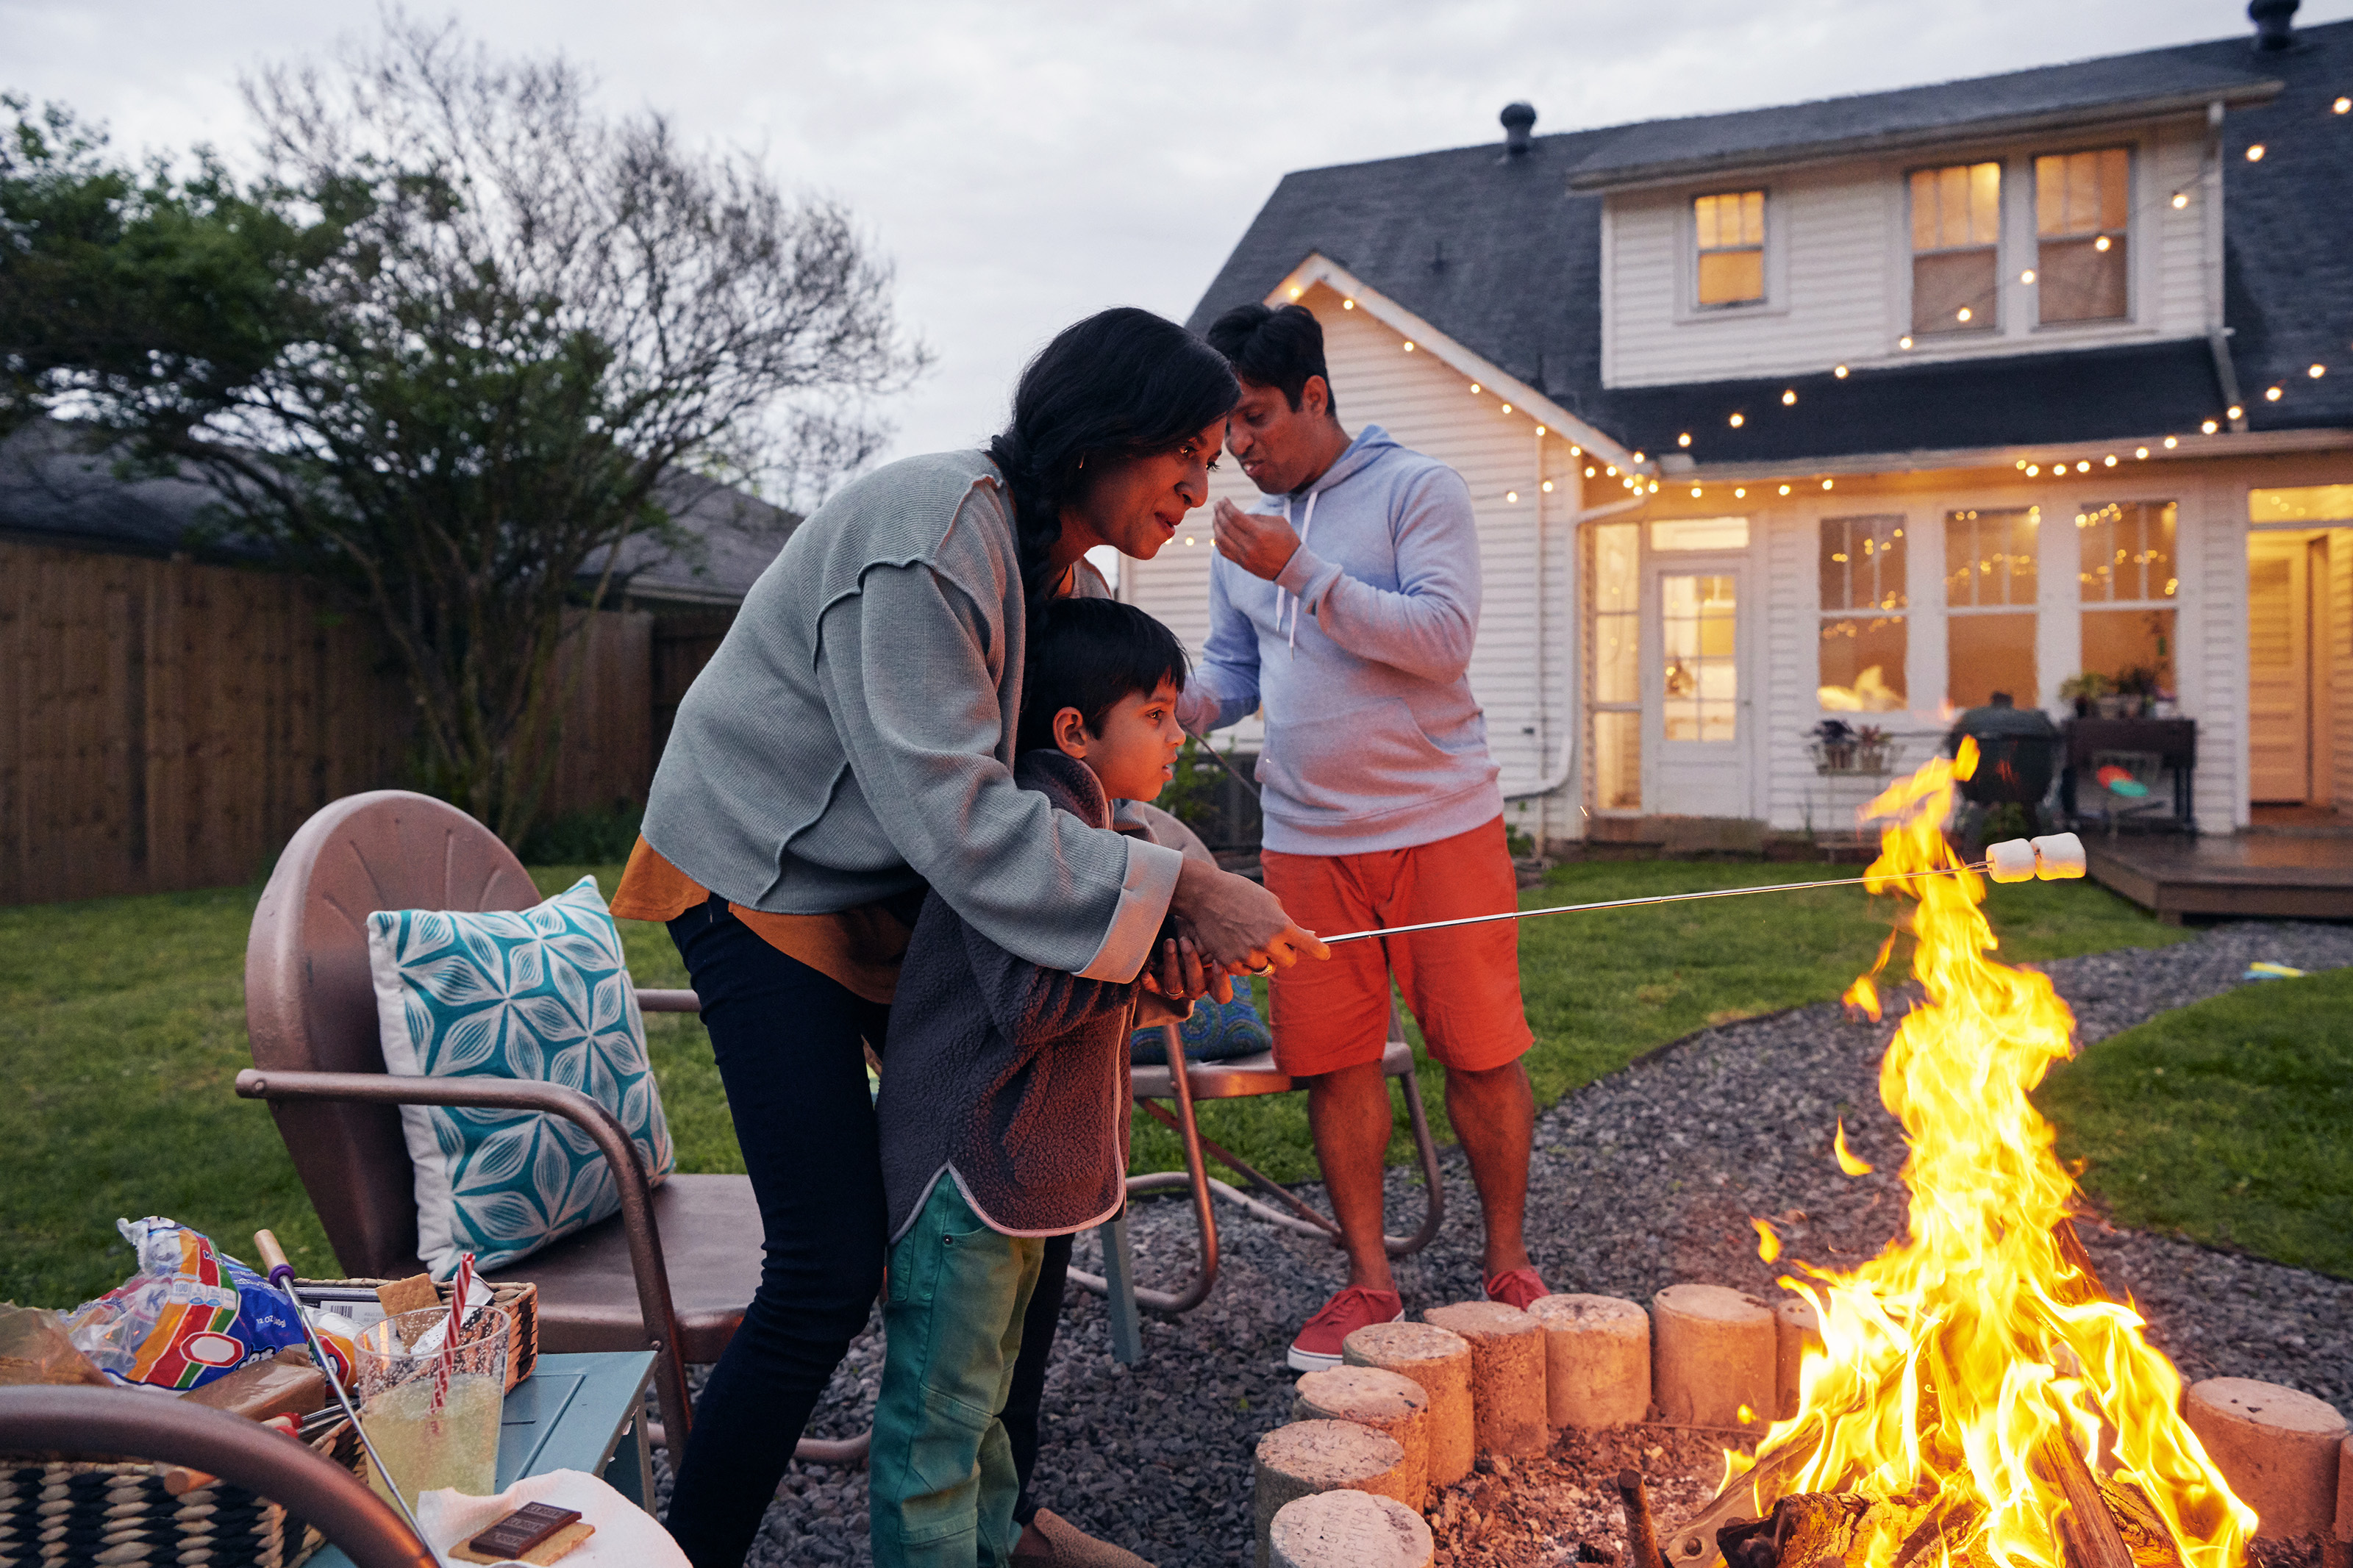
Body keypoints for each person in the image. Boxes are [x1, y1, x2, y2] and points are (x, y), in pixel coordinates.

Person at [613, 307, 1327, 1567]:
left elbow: (1073, 790)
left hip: (895, 887)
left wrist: (1183, 885)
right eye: (1191, 455)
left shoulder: (1072, 581)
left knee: (1025, 1172)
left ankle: (1009, 1521)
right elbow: (960, 813)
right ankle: (689, 1554)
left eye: (1218, 459)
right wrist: (1169, 897)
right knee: (828, 1266)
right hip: (759, 873)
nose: (1202, 488)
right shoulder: (933, 538)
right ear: (1113, 433)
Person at [1185, 302, 1545, 1372]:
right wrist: (1163, 710)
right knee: (1333, 1062)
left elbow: (1442, 640)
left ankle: (1511, 1264)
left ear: (1314, 396)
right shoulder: (1240, 538)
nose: (1239, 447)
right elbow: (1234, 673)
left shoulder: (1416, 489)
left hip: (1442, 823)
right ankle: (1367, 1283)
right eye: (1225, 430)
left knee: (1479, 1051)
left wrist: (1303, 570)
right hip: (1305, 842)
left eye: (1254, 419)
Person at [870, 596, 1198, 1567]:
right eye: (1158, 713)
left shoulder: (1098, 824)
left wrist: (1166, 981)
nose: (1181, 732)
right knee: (938, 1428)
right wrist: (1143, 957)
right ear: (1075, 730)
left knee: (992, 1421)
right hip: (963, 1176)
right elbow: (1031, 1004)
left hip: (1015, 1178)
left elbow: (1088, 1005)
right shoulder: (1031, 833)